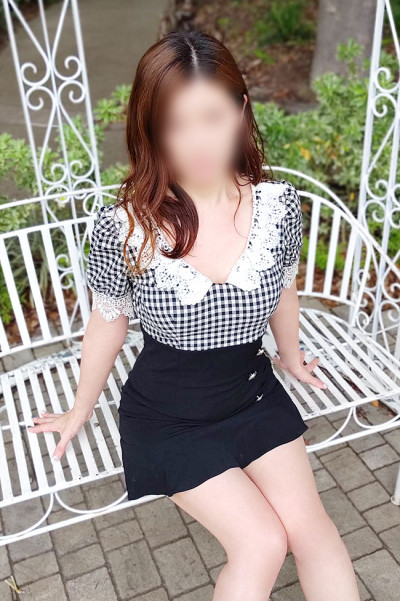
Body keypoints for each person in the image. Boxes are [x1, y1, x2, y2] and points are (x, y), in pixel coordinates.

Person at [29, 30, 361, 601]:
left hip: (251, 393)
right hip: (168, 417)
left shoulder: (277, 207)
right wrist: (81, 409)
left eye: (212, 117)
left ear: (241, 110)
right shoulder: (127, 228)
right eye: (175, 124)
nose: (198, 141)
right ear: (151, 130)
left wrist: (290, 355)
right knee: (261, 543)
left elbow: (283, 287)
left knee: (312, 530)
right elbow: (109, 320)